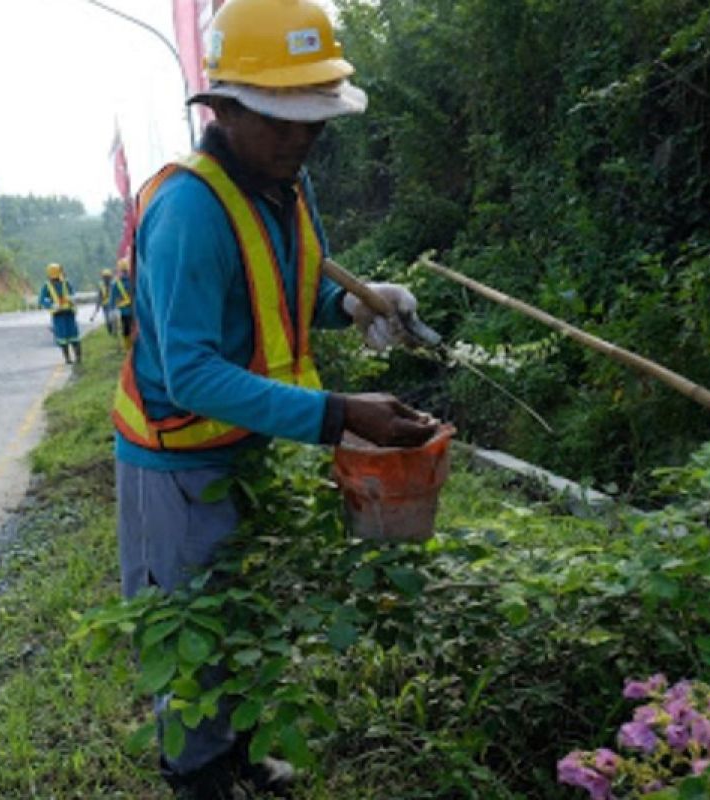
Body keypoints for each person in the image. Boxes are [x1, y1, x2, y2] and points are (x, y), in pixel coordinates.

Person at [111, 0, 436, 796]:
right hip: (178, 458)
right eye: (281, 121)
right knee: (188, 627)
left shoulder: (284, 185)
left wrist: (353, 305)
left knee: (243, 610)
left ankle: (244, 751)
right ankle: (198, 774)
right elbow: (188, 370)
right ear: (222, 110)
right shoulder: (189, 208)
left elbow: (278, 296)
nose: (300, 138)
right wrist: (338, 415)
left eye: (313, 122)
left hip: (250, 441)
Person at [39, 262, 81, 364]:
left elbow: (73, 294)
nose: (55, 279)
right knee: (63, 339)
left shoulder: (66, 283)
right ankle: (68, 358)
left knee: (74, 336)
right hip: (58, 315)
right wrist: (51, 305)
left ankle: (78, 357)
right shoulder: (46, 286)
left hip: (69, 313)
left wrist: (72, 299)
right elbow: (42, 300)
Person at [92, 267, 115, 336]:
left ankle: (114, 330)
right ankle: (110, 331)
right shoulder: (101, 286)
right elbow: (99, 297)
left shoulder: (113, 285)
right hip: (105, 306)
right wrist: (97, 307)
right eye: (105, 277)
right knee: (108, 320)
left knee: (113, 319)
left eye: (107, 277)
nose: (106, 279)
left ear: (110, 277)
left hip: (113, 305)